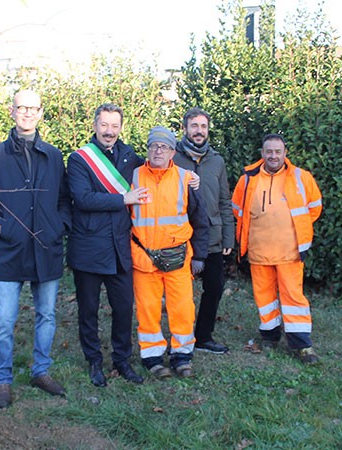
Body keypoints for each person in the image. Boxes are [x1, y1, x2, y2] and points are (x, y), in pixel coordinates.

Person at [0, 89, 72, 409]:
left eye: (33, 108)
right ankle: (3, 379)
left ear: (41, 113)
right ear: (12, 111)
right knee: (4, 318)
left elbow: (64, 201)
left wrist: (60, 227)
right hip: (10, 251)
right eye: (21, 107)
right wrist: (1, 228)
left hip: (47, 249)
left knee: (47, 315)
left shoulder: (54, 156)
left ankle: (40, 371)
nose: (27, 113)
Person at [66, 103, 147, 387]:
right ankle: (94, 361)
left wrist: (191, 177)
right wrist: (122, 200)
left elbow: (159, 168)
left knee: (124, 308)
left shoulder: (129, 156)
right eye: (104, 125)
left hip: (119, 248)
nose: (109, 131)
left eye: (114, 126)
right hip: (88, 247)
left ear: (121, 127)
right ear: (95, 125)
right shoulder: (79, 159)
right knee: (88, 310)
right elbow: (83, 198)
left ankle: (122, 360)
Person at [231, 133, 323, 364]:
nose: (273, 156)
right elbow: (236, 209)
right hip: (259, 251)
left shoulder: (301, 177)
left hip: (290, 252)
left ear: (285, 154)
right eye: (269, 151)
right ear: (262, 154)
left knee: (294, 297)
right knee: (265, 298)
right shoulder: (248, 179)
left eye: (277, 152)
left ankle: (302, 345)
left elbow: (315, 208)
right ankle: (270, 336)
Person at [130, 126, 209, 378]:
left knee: (183, 307)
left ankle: (182, 356)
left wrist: (200, 255)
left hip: (177, 257)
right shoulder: (132, 176)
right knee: (147, 308)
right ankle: (152, 357)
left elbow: (200, 218)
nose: (158, 151)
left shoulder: (186, 178)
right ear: (148, 149)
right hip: (143, 257)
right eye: (153, 146)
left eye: (163, 147)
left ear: (173, 152)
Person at [173, 107, 235, 355]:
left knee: (215, 288)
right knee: (181, 293)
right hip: (182, 237)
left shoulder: (217, 161)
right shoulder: (172, 158)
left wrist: (229, 235)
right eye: (194, 126)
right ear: (185, 128)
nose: (199, 131)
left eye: (203, 127)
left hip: (212, 237)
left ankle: (203, 337)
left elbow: (224, 200)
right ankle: (181, 338)